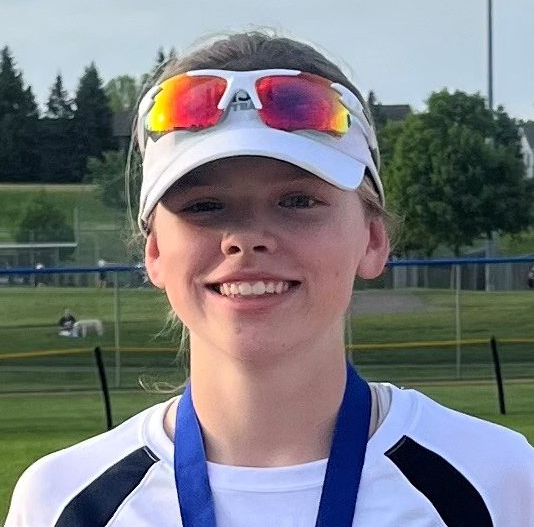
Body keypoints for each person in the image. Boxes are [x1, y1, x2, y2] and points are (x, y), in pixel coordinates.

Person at [6, 31, 534, 526]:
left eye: (298, 200)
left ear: (373, 240)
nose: (247, 239)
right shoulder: (65, 502)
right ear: (156, 251)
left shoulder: (498, 482)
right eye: (204, 206)